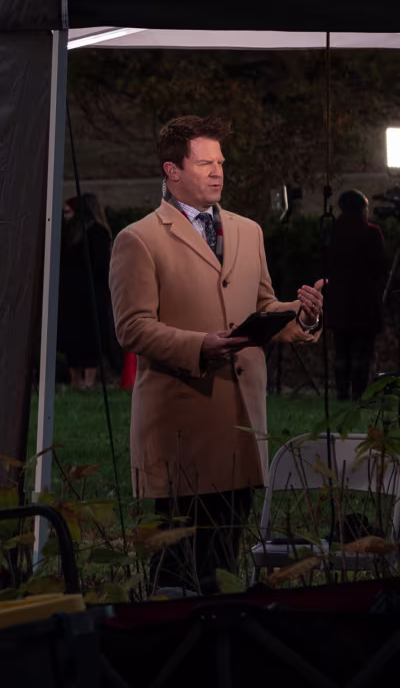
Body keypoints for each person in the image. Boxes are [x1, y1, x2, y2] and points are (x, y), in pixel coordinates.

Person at [109, 115, 324, 595]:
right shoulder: (139, 239)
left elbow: (263, 306)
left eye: (220, 161)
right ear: (172, 170)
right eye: (204, 162)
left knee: (227, 556)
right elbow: (132, 326)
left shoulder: (248, 232)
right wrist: (198, 345)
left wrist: (302, 314)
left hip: (242, 423)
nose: (217, 171)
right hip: (184, 422)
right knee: (181, 565)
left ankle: (225, 647)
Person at [326, 190, 387, 401]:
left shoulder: (334, 231)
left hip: (340, 304)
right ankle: (359, 393)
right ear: (362, 209)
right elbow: (380, 266)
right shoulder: (371, 233)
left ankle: (342, 392)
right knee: (362, 353)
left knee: (342, 352)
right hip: (364, 305)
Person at [58, 193, 116, 389]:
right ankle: (88, 381)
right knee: (92, 337)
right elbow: (103, 266)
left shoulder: (70, 233)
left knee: (74, 338)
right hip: (93, 294)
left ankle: (75, 379)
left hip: (71, 294)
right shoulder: (99, 232)